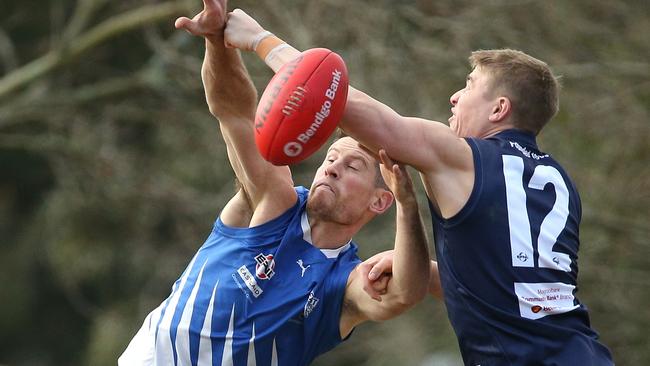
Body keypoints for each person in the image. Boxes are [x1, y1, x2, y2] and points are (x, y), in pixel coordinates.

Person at [222, 9, 614, 365]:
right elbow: (513, 291)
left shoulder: (463, 156)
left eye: (470, 84)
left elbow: (334, 97)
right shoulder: (559, 182)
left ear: (498, 109)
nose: (455, 96)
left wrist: (259, 40)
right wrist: (427, 273)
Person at [118, 1, 431, 365]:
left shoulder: (342, 281)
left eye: (352, 167)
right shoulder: (276, 202)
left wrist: (409, 207)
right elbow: (235, 114)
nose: (331, 169)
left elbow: (404, 294)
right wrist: (217, 42)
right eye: (330, 159)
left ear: (380, 200)